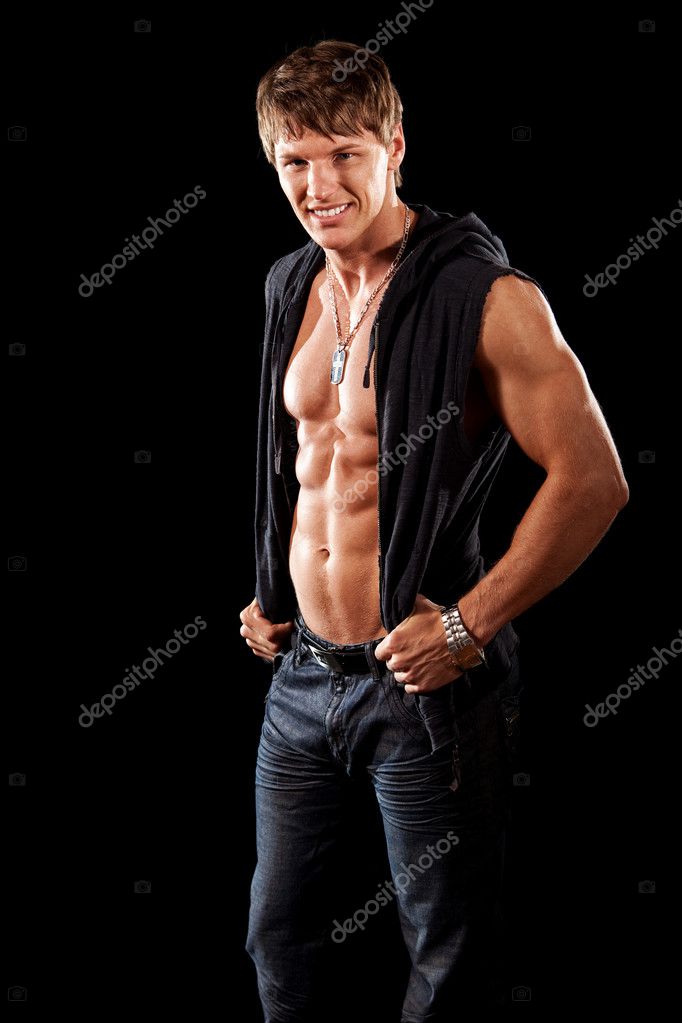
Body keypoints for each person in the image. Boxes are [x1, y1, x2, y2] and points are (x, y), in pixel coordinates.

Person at [241, 39, 629, 1020]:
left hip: (422, 690)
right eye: (296, 160)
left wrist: (467, 626)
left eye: (344, 155)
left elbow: (593, 480)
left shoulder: (488, 300)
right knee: (280, 936)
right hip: (301, 680)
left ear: (395, 148)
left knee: (447, 953)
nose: (319, 184)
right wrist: (274, 588)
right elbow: (306, 467)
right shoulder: (292, 284)